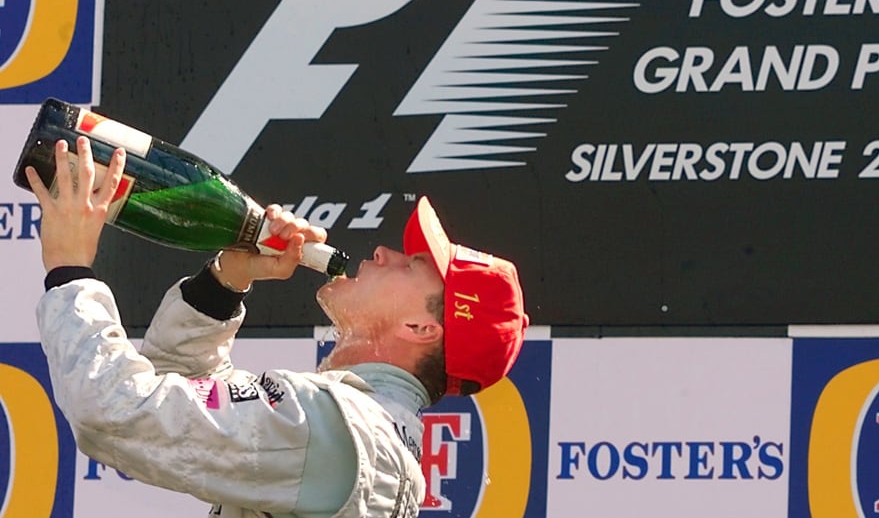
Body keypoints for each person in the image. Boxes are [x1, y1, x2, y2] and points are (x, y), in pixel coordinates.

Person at [26, 137, 529, 518]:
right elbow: (170, 395)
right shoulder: (359, 431)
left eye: (411, 264)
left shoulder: (340, 429)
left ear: (422, 327)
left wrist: (70, 269)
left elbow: (115, 413)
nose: (383, 253)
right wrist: (228, 279)